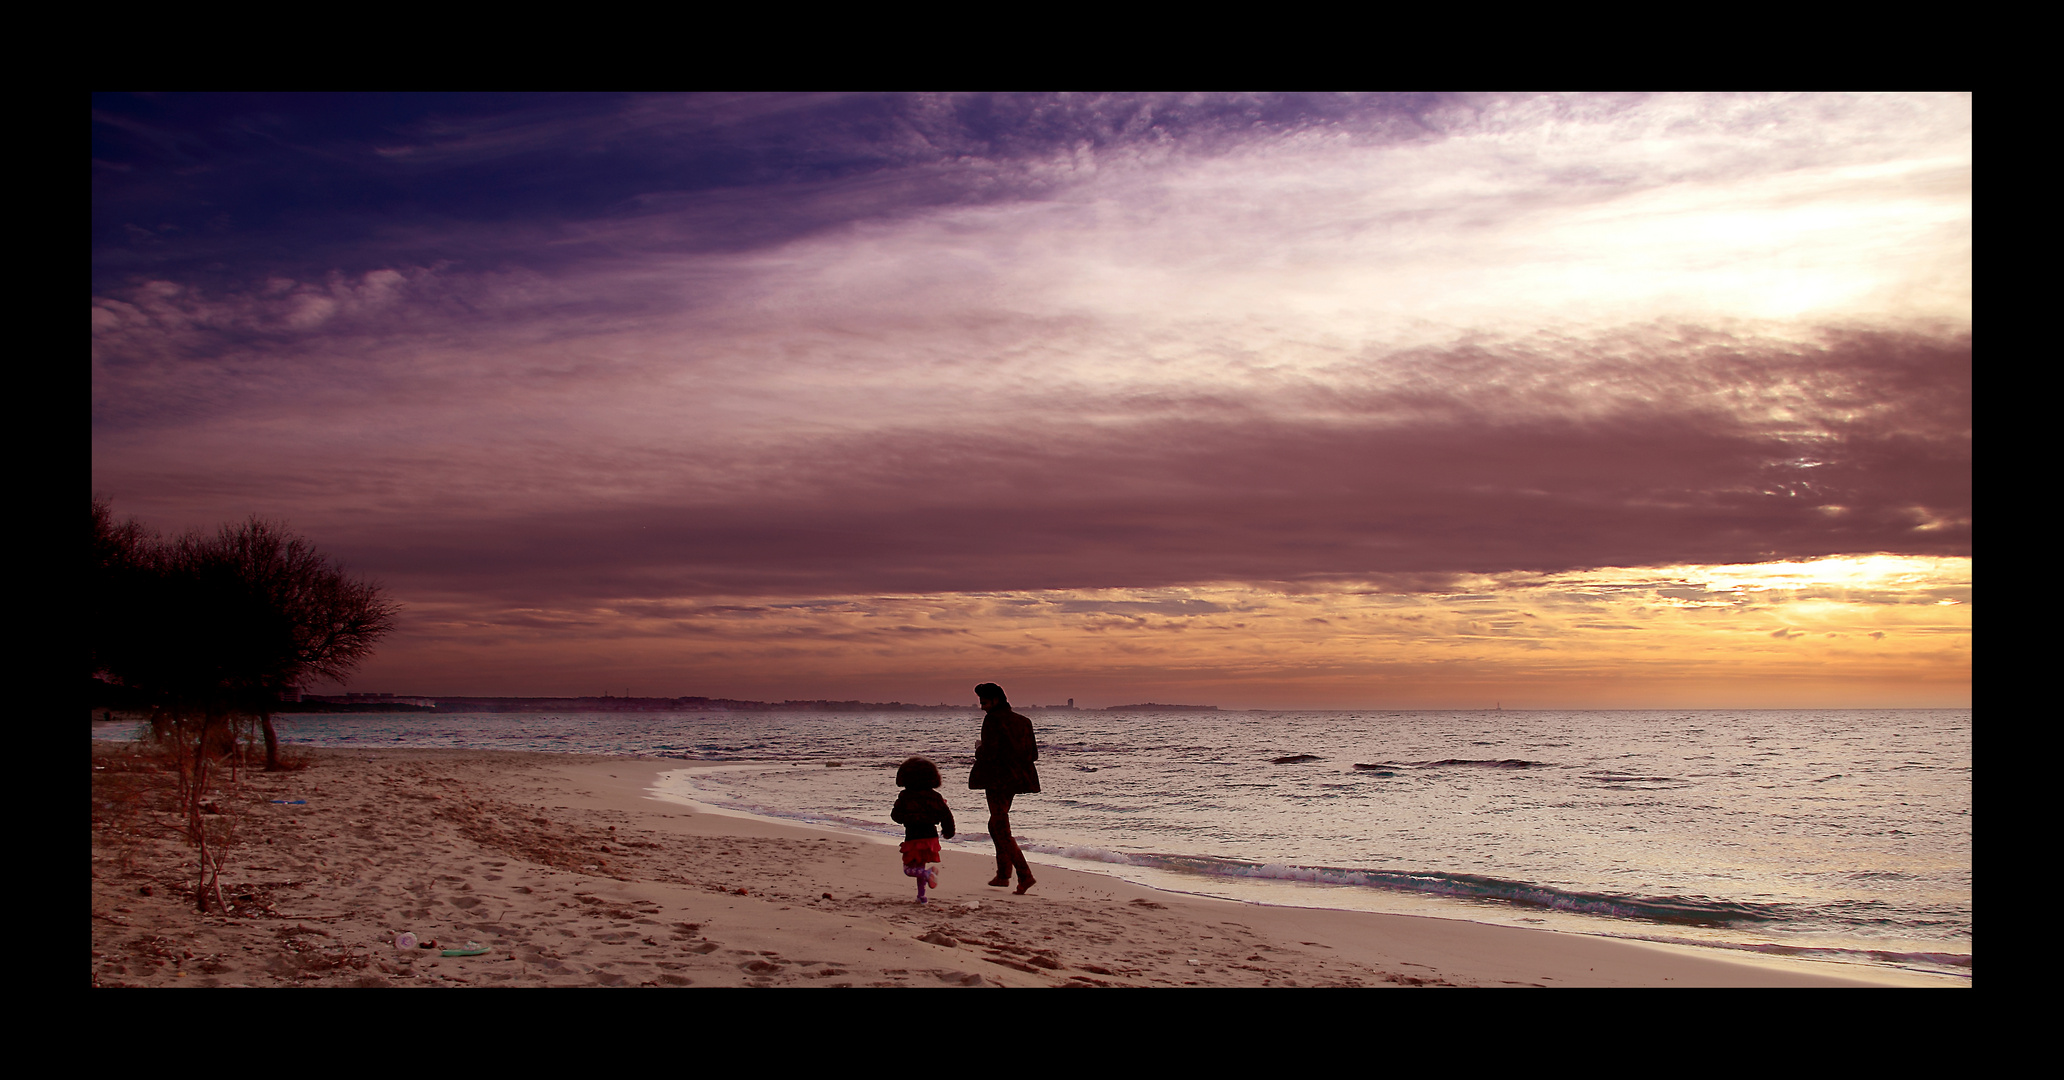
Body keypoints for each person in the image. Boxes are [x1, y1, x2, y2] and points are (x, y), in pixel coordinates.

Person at [968, 682, 1039, 894]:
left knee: (999, 826)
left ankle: (1024, 874)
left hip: (997, 780)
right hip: (1017, 780)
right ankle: (1003, 874)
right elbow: (1033, 755)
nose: (982, 707)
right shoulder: (1024, 721)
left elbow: (989, 754)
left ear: (996, 700)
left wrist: (979, 749)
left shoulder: (992, 720)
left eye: (985, 702)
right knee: (997, 823)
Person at [891, 756, 955, 904]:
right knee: (920, 864)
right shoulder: (935, 797)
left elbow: (896, 816)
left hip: (914, 836)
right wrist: (948, 830)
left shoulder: (906, 796)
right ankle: (922, 896)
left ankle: (928, 873)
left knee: (909, 869)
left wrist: (906, 818)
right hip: (931, 838)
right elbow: (946, 815)